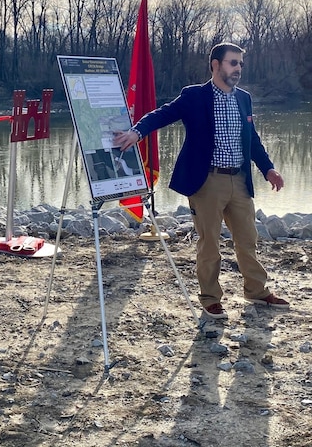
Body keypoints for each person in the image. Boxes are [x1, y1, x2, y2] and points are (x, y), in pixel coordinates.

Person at [114, 42, 288, 320]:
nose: (238, 69)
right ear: (216, 65)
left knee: (248, 239)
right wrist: (137, 132)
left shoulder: (244, 98)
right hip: (207, 181)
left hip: (240, 181)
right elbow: (162, 114)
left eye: (241, 63)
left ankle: (255, 291)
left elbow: (252, 139)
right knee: (209, 243)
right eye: (233, 63)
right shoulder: (194, 96)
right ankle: (210, 298)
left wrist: (268, 169)